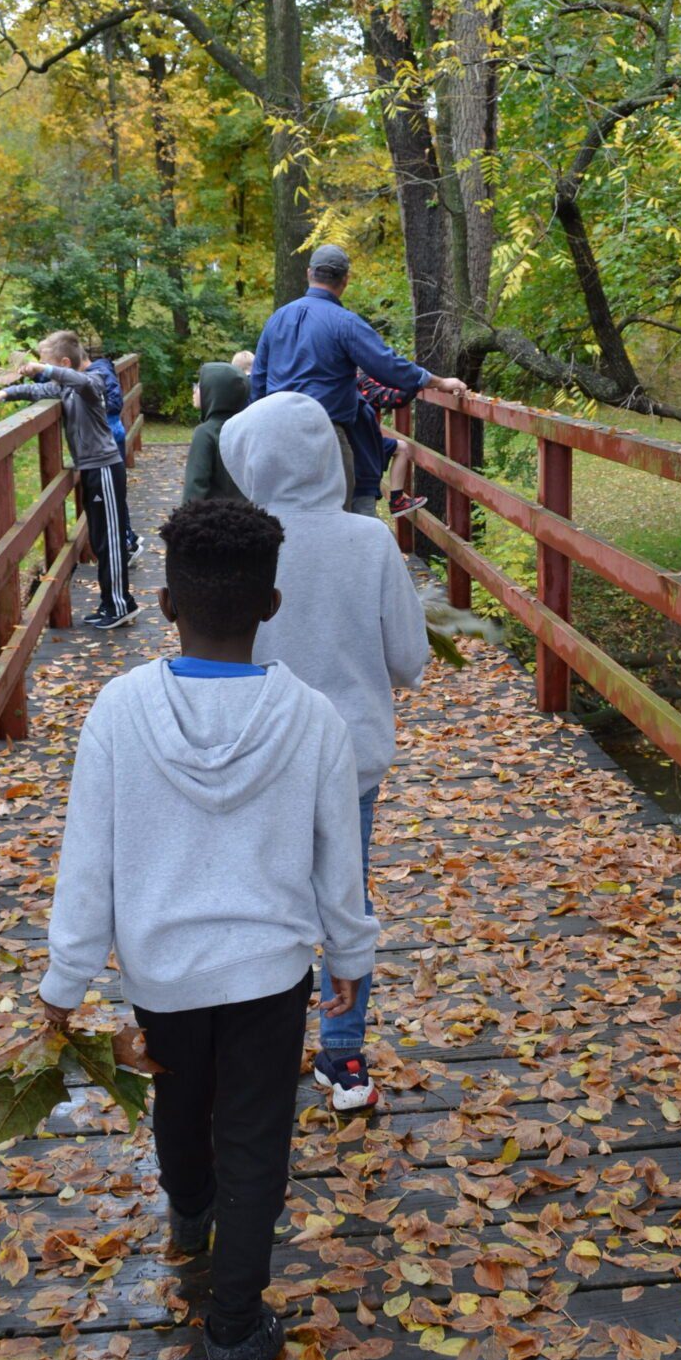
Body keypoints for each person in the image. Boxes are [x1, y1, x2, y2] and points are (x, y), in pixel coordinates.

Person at [37, 497, 377, 1360]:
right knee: (257, 1135)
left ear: (162, 601)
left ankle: (189, 1218)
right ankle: (235, 1329)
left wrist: (64, 980)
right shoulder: (311, 720)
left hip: (163, 969)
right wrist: (351, 956)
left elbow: (89, 857)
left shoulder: (119, 710)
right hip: (271, 971)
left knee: (179, 1102)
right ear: (272, 605)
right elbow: (338, 862)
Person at [220, 391, 428, 1112]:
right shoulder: (367, 541)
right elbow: (408, 658)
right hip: (349, 758)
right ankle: (343, 1057)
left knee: (260, 898)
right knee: (345, 893)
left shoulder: (244, 542)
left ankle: (253, 1050)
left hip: (255, 754)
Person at [250, 243, 467, 507]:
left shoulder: (277, 319)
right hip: (324, 435)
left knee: (282, 510)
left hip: (278, 432)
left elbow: (258, 381)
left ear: (309, 273)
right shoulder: (344, 322)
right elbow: (388, 366)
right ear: (345, 280)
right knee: (333, 512)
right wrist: (440, 382)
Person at [0, 331, 136, 631]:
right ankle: (110, 602)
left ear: (64, 363)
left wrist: (45, 370)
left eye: (48, 363)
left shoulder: (91, 381)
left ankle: (120, 604)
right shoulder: (66, 388)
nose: (43, 367)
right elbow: (39, 393)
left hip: (105, 468)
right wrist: (5, 393)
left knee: (110, 540)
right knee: (100, 538)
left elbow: (81, 382)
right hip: (92, 469)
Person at [87, 341, 141, 562]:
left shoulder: (97, 375)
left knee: (111, 495)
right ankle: (127, 538)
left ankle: (125, 542)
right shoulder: (101, 371)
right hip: (108, 441)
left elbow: (114, 403)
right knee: (113, 494)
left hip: (106, 444)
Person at [351, 373, 427, 522]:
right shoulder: (362, 382)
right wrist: (421, 381)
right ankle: (397, 501)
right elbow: (394, 398)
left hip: (355, 445)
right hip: (362, 450)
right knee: (365, 519)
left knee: (401, 448)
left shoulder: (328, 382)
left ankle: (397, 500)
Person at [183, 361, 249, 503]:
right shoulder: (248, 429)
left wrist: (182, 521)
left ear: (214, 392)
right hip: (247, 517)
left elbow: (195, 487)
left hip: (214, 519)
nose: (194, 391)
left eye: (199, 386)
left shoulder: (205, 433)